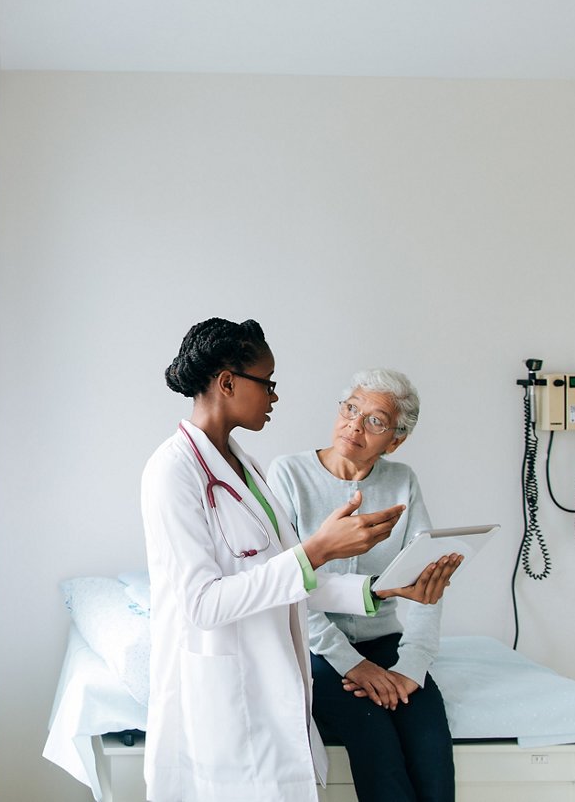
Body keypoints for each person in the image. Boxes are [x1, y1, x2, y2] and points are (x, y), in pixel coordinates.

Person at [140, 319, 457, 802]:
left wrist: (381, 591)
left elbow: (286, 577)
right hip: (225, 686)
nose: (274, 396)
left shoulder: (245, 467)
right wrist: (319, 549)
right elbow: (202, 604)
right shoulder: (173, 470)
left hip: (274, 670)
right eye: (266, 383)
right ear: (227, 382)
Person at [266, 368, 457, 802]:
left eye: (375, 419)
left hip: (384, 639)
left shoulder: (401, 480)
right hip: (315, 649)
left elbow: (427, 580)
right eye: (351, 408)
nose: (355, 424)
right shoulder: (289, 474)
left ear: (395, 439)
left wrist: (412, 665)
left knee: (431, 749)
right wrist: (351, 663)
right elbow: (287, 585)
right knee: (378, 749)